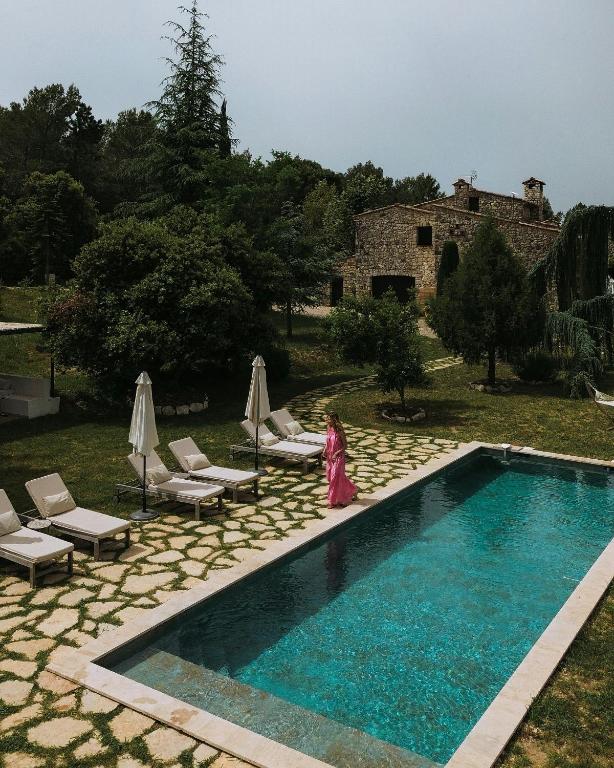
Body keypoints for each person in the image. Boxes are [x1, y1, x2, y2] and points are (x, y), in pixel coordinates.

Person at [323, 412, 357, 508]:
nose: (327, 420)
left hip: (339, 457)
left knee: (335, 477)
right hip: (330, 457)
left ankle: (334, 501)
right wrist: (325, 450)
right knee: (332, 477)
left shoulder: (340, 430)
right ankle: (352, 489)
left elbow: (345, 445)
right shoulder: (329, 428)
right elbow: (328, 441)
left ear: (334, 419)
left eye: (329, 418)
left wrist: (337, 453)